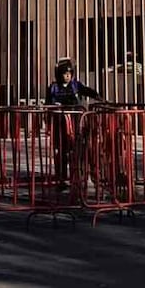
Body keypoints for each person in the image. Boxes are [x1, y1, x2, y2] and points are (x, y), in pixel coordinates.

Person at [45, 58, 102, 192]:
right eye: (65, 73)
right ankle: (62, 179)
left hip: (76, 124)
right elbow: (49, 104)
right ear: (59, 74)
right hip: (59, 125)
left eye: (70, 73)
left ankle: (78, 177)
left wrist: (97, 95)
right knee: (61, 153)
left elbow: (87, 90)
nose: (67, 76)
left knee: (77, 151)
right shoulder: (53, 87)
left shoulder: (76, 85)